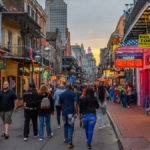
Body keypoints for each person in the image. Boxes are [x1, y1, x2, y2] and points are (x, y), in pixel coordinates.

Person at [59, 84, 78, 149]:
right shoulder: (73, 94)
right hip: (71, 113)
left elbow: (60, 104)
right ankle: (70, 143)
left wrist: (63, 108)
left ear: (65, 87)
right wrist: (76, 112)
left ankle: (66, 139)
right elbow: (75, 104)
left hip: (64, 112)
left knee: (65, 125)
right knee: (70, 127)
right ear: (71, 88)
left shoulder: (62, 94)